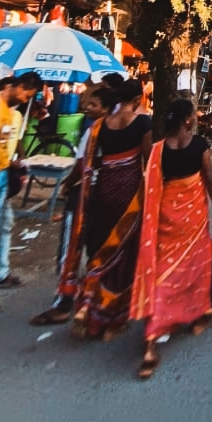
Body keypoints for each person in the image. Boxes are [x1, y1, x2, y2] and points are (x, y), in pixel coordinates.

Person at [130, 97, 212, 379]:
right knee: (197, 264)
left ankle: (154, 340)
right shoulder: (199, 146)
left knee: (161, 272)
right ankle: (187, 319)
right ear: (188, 120)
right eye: (193, 115)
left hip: (164, 217)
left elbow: (149, 184)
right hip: (193, 219)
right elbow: (210, 180)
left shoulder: (157, 150)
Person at [66, 78, 153, 340]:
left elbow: (89, 162)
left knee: (101, 245)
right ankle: (113, 318)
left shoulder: (101, 125)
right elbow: (148, 162)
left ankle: (89, 304)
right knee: (124, 253)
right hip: (130, 194)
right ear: (137, 100)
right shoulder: (143, 122)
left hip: (103, 189)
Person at [29, 83, 115, 326]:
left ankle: (65, 302)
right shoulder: (117, 129)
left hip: (84, 196)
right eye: (86, 102)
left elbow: (80, 166)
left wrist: (67, 186)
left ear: (105, 108)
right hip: (104, 198)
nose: (86, 107)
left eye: (93, 104)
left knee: (71, 249)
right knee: (97, 249)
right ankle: (94, 298)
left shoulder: (95, 131)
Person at [0, 72, 42, 313]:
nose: (24, 99)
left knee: (2, 225)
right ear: (17, 86)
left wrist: (16, 160)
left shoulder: (14, 114)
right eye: (25, 94)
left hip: (1, 176)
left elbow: (7, 143)